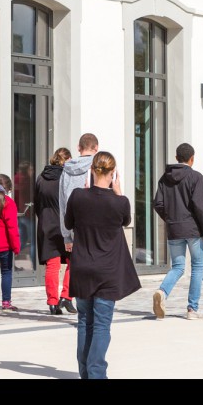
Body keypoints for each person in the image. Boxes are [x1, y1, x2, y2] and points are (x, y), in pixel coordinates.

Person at [65, 151, 140, 379]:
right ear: (113, 173)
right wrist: (118, 193)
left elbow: (68, 223)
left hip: (83, 269)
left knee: (84, 321)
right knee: (101, 324)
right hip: (107, 271)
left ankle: (86, 373)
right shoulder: (120, 203)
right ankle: (97, 374)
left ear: (91, 170)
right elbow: (126, 220)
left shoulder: (77, 196)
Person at [151, 142, 203, 320]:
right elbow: (200, 207)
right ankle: (192, 309)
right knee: (197, 267)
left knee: (177, 267)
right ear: (192, 159)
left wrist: (170, 219)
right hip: (193, 229)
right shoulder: (196, 177)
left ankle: (162, 292)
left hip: (174, 229)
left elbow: (158, 204)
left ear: (177, 158)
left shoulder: (164, 178)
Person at [56, 133, 99, 315]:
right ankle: (90, 304)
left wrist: (66, 234)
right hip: (95, 227)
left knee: (78, 266)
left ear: (78, 148)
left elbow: (63, 204)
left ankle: (74, 301)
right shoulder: (98, 167)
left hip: (74, 227)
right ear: (96, 148)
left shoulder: (65, 171)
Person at [36, 147, 73, 315]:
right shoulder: (65, 177)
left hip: (45, 224)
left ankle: (52, 303)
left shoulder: (41, 178)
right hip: (63, 224)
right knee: (74, 261)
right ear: (66, 161)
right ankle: (66, 296)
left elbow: (37, 204)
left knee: (52, 265)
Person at [0, 173, 21, 312]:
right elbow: (12, 227)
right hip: (4, 246)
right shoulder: (9, 203)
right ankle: (6, 303)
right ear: (8, 189)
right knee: (6, 273)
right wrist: (16, 247)